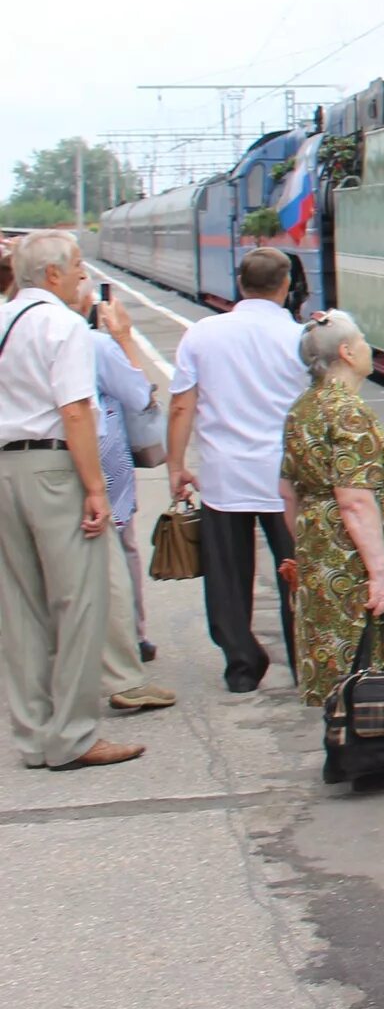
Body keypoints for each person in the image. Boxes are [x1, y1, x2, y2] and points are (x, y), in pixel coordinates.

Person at [0, 232, 144, 771]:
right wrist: (93, 488)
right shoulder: (62, 325)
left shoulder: (4, 318)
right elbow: (77, 411)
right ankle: (75, 735)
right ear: (53, 275)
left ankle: (34, 736)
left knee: (20, 608)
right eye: (79, 267)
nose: (85, 277)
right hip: (53, 469)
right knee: (79, 601)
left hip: (5, 466)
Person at [280, 311, 384, 778]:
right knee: (381, 645)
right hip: (356, 549)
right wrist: (379, 571)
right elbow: (355, 500)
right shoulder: (347, 411)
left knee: (340, 648)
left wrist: (308, 551)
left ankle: (341, 746)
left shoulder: (304, 407)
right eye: (362, 339)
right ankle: (381, 756)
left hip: (322, 545)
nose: (368, 346)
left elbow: (288, 492)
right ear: (346, 352)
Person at [168, 247, 303, 692]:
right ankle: (307, 663)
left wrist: (176, 466)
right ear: (285, 287)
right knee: (297, 571)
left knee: (226, 575)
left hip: (224, 476)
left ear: (240, 285)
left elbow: (182, 405)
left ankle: (242, 666)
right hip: (288, 480)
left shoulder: (203, 334)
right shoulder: (301, 339)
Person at [84, 282, 174, 713]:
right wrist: (123, 337)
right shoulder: (94, 343)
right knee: (120, 553)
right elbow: (139, 396)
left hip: (30, 464)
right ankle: (131, 646)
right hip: (101, 466)